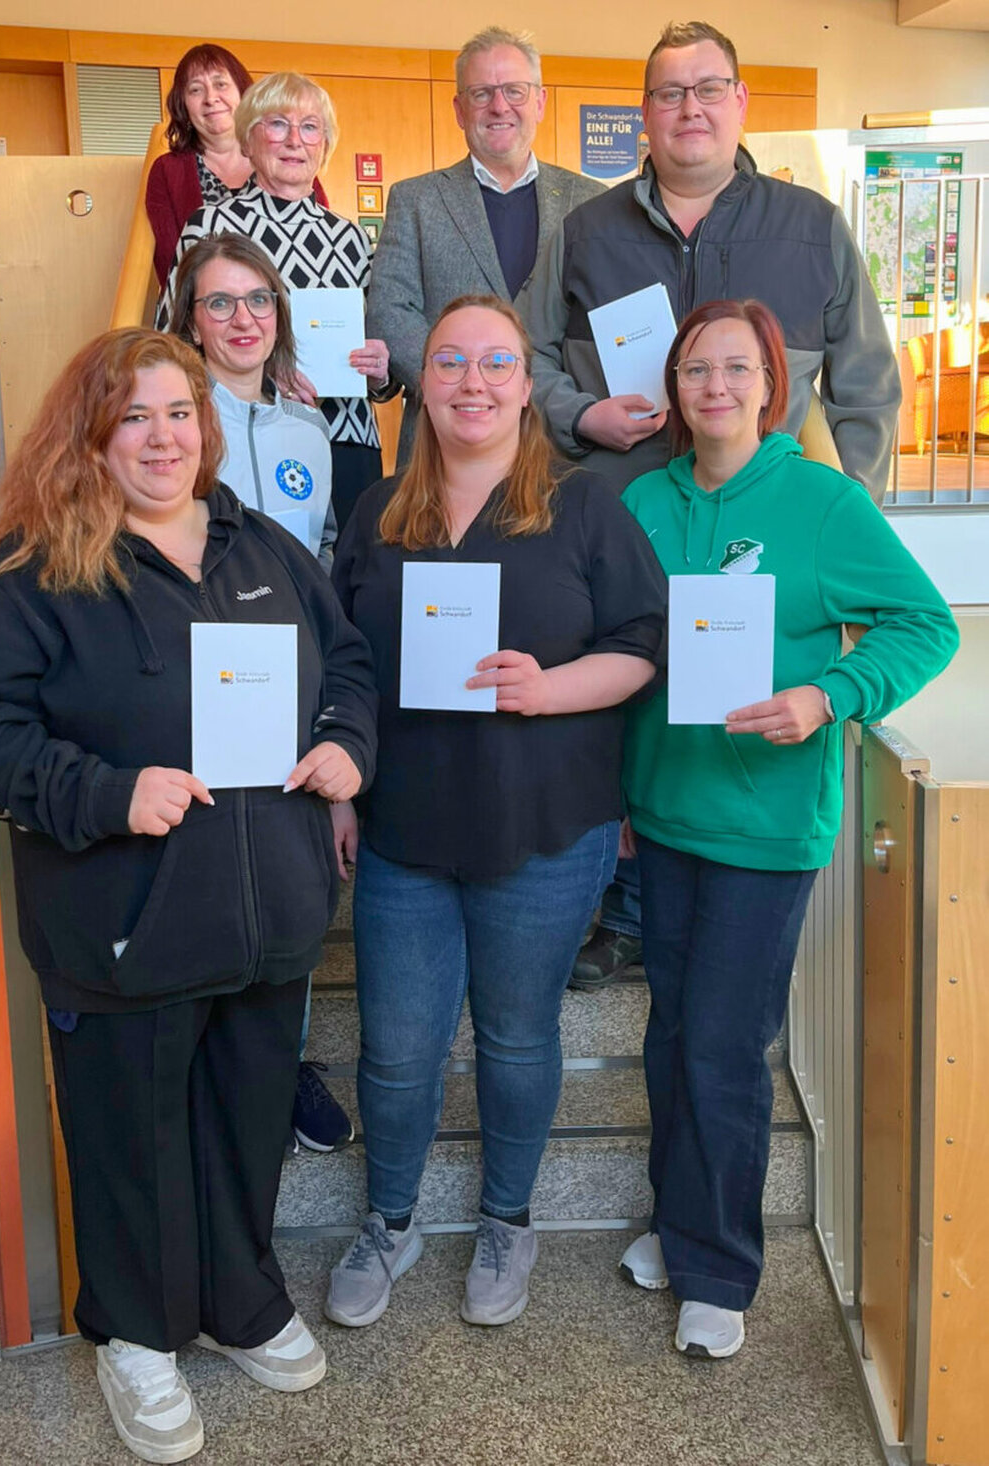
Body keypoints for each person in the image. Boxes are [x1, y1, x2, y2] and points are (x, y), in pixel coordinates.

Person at [0, 328, 378, 1463]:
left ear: (206, 425)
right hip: (119, 922)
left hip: (265, 917)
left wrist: (344, 745)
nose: (163, 436)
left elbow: (351, 666)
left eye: (179, 413)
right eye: (135, 417)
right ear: (92, 434)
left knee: (243, 1123)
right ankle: (136, 1334)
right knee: (129, 1141)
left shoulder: (259, 544)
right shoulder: (36, 568)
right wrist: (105, 791)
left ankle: (243, 1301)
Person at [522, 18, 902, 992]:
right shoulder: (586, 233)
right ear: (642, 114)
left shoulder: (810, 226)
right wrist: (581, 412)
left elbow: (863, 383)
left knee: (728, 719)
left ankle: (681, 909)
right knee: (627, 711)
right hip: (624, 531)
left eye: (706, 89)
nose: (687, 107)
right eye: (666, 92)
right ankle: (617, 905)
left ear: (736, 103)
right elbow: (525, 360)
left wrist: (828, 514)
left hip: (758, 554)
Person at [616, 297, 956, 1359]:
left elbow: (924, 623)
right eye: (692, 371)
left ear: (772, 386)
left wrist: (828, 694)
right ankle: (680, 1225)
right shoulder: (638, 501)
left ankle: (718, 1267)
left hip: (765, 826)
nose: (711, 388)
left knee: (721, 1042)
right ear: (670, 390)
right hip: (662, 812)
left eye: (733, 369)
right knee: (670, 1030)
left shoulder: (821, 502)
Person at [324, 296, 666, 1330]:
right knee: (395, 1046)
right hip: (403, 831)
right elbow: (340, 663)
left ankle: (506, 1217)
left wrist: (546, 687)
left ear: (526, 384)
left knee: (518, 1039)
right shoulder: (378, 511)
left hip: (543, 827)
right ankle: (390, 1218)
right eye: (450, 363)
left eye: (495, 363)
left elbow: (645, 640)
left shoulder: (587, 505)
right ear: (421, 384)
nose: (471, 382)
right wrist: (341, 784)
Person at [169, 232, 352, 1151]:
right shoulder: (166, 419)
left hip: (290, 689)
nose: (242, 320)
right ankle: (210, 1063)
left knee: (292, 875)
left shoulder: (304, 429)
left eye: (258, 303)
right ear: (188, 319)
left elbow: (319, 559)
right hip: (192, 684)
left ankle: (282, 1064)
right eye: (219, 303)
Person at [157, 71, 393, 530]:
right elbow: (170, 343)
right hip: (244, 433)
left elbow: (379, 364)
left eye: (310, 127)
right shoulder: (210, 228)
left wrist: (382, 372)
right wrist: (262, 375)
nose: (295, 141)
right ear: (247, 140)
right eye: (277, 124)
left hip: (348, 438)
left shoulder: (349, 237)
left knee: (346, 579)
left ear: (325, 144)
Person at [366, 26, 603, 466]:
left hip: (560, 446)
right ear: (458, 109)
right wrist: (465, 382)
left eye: (514, 90)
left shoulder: (590, 200)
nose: (499, 106)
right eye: (481, 93)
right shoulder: (415, 200)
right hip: (444, 444)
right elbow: (390, 312)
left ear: (540, 101)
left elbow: (598, 319)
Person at [145, 43, 329, 288]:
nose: (211, 98)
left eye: (221, 84)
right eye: (196, 90)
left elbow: (321, 237)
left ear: (243, 93)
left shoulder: (289, 161)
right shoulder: (167, 171)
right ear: (184, 105)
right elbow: (171, 263)